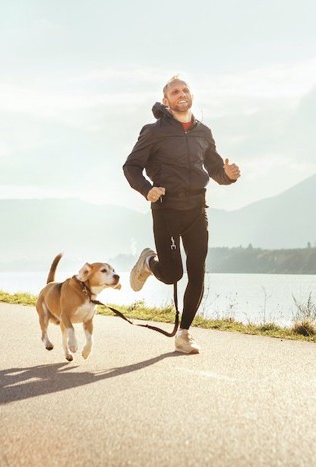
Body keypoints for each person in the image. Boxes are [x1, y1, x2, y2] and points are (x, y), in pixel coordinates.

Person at [123, 76, 241, 354]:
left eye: (185, 89)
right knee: (174, 273)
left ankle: (184, 334)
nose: (182, 94)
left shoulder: (204, 132)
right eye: (175, 91)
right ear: (166, 101)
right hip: (166, 209)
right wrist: (146, 190)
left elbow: (214, 169)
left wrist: (228, 175)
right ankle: (149, 262)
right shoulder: (153, 132)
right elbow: (131, 166)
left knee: (197, 272)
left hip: (197, 210)